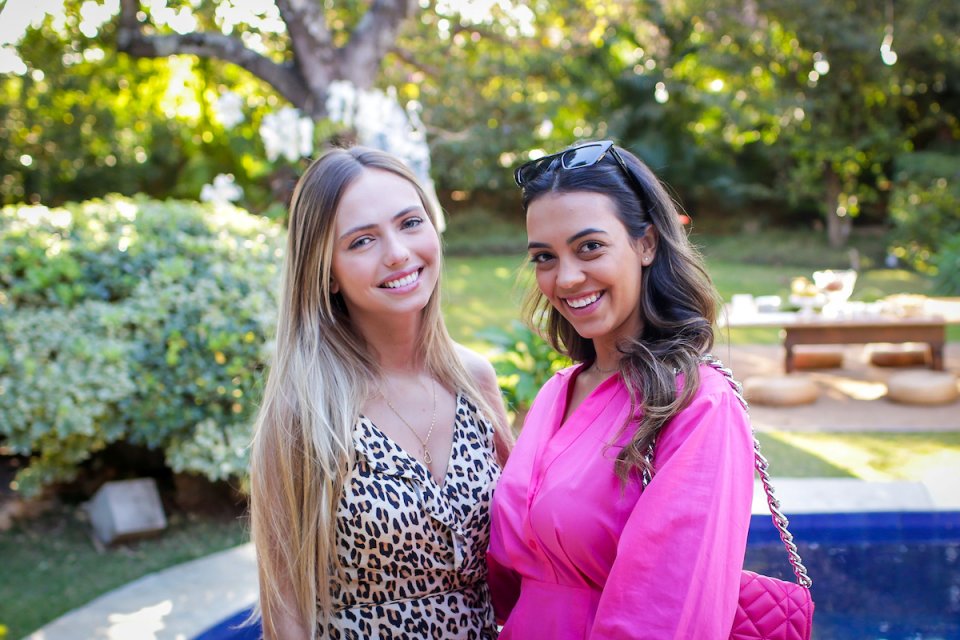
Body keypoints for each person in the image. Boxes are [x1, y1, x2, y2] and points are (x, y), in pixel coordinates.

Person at [487, 140, 755, 638]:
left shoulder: (698, 404)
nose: (566, 278)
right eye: (545, 257)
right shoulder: (556, 393)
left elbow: (667, 612)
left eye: (590, 247)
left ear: (646, 243)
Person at [250, 146, 512, 639]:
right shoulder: (305, 410)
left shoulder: (474, 381)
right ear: (326, 272)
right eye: (362, 240)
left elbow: (525, 548)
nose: (397, 252)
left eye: (410, 223)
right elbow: (284, 607)